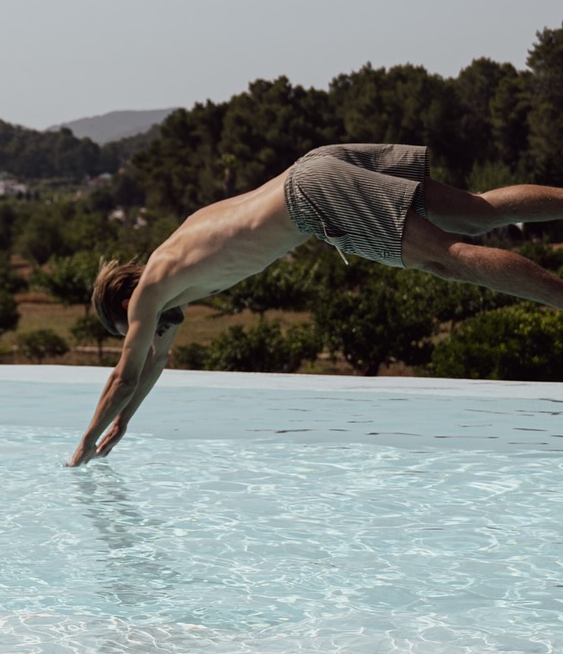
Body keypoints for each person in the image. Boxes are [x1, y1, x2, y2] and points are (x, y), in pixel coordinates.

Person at [70, 144, 563, 466]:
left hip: (310, 197)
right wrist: (124, 421)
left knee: (447, 259)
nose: (145, 334)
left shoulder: (151, 292)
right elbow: (154, 364)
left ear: (126, 303)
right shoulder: (172, 270)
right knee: (475, 213)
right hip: (315, 165)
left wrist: (83, 445)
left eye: (132, 329)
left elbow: (125, 374)